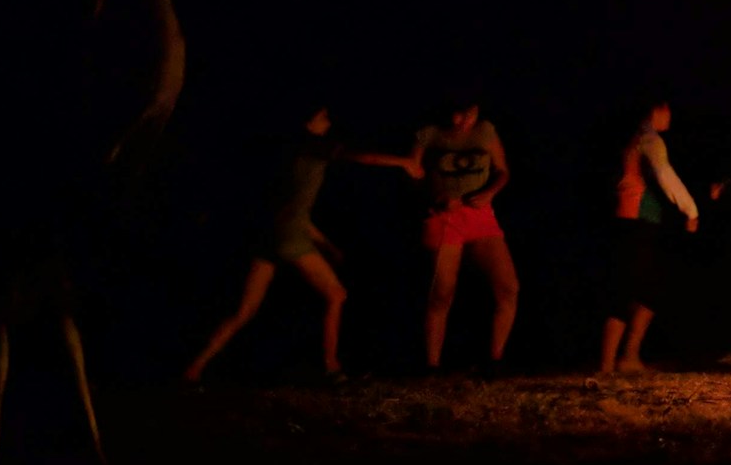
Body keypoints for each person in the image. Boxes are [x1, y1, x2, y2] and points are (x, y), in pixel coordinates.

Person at [182, 104, 421, 385]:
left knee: (243, 311)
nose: (328, 122)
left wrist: (327, 246)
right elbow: (362, 157)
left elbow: (296, 213)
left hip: (270, 236)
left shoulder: (285, 150)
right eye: (323, 117)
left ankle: (193, 369)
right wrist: (404, 162)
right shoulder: (312, 145)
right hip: (287, 239)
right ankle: (331, 369)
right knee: (336, 295)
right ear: (310, 120)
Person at [413, 96, 519, 372]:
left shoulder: (485, 131)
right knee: (442, 293)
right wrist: (437, 196)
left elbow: (503, 171)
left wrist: (489, 192)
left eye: (469, 115)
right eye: (457, 115)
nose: (462, 122)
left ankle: (495, 361)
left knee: (508, 288)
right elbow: (412, 173)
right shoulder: (430, 134)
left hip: (480, 215)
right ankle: (431, 365)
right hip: (444, 216)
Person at [601, 99, 700, 376]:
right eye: (668, 109)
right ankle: (609, 364)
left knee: (648, 291)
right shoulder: (650, 140)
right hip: (636, 221)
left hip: (634, 219)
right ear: (659, 109)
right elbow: (665, 174)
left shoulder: (635, 138)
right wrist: (690, 210)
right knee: (627, 291)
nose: (671, 116)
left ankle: (627, 357)